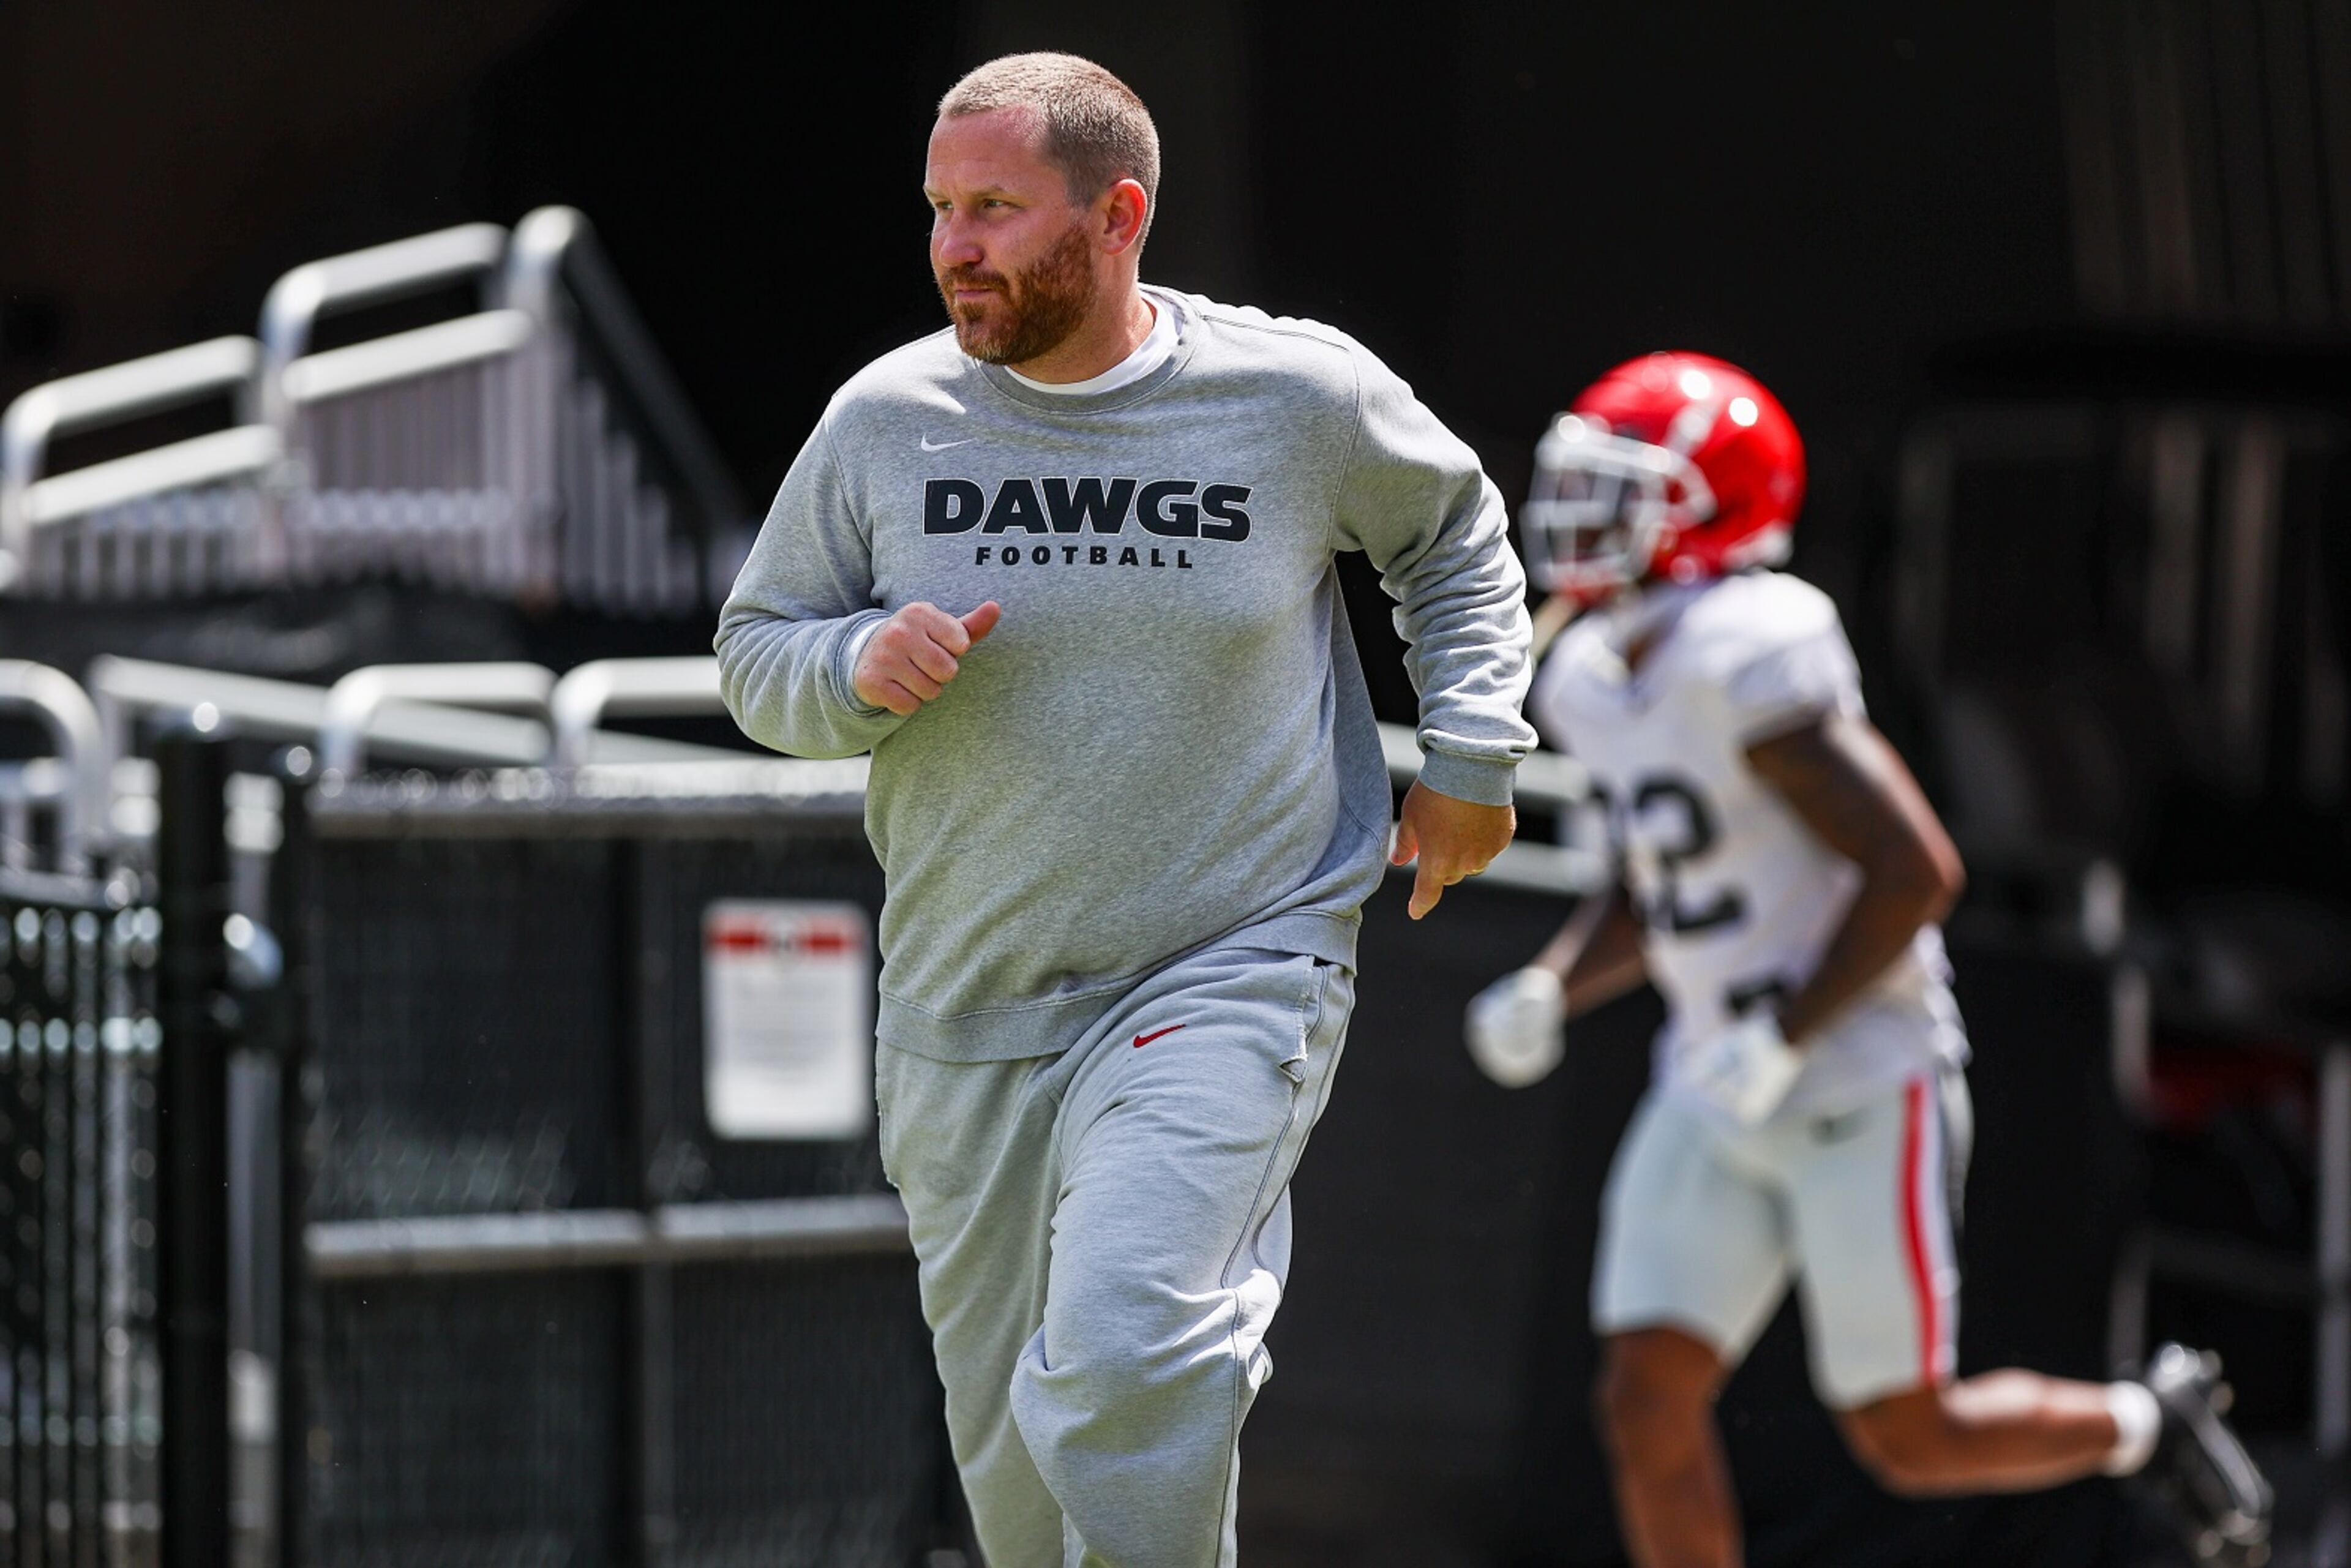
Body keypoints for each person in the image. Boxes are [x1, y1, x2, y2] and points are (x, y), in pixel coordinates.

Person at [715, 51, 1534, 1567]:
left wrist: (1475, 753)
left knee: (1125, 1358)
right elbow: (755, 660)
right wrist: (850, 662)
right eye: (940, 209)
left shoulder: (1296, 397)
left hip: (1227, 964)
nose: (956, 244)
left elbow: (1454, 534)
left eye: (996, 210)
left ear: (1118, 217)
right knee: (1029, 1507)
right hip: (964, 1010)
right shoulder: (887, 418)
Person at [1464, 352, 2272, 1568]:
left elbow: (1916, 872)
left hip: (1852, 1076)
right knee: (1643, 1396)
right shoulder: (1592, 667)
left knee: (1908, 1437)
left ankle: (2144, 1423)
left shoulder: (1749, 647)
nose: (1580, 518)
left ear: (1710, 508)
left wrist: (1781, 1034)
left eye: (1620, 491)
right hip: (1712, 1077)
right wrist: (1556, 984)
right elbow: (1663, 878)